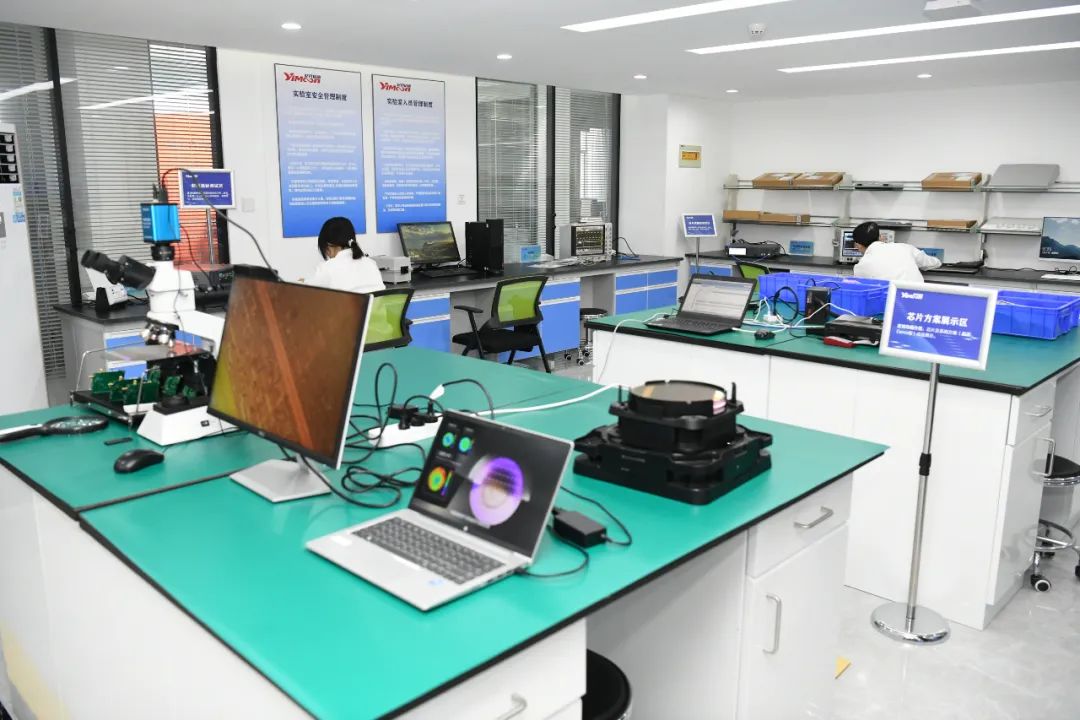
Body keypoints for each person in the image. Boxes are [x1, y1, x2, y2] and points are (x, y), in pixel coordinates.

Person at [307, 217, 385, 294]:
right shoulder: (371, 263)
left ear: (328, 246)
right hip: (374, 303)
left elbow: (306, 291)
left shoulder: (327, 268)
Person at [852, 221, 941, 283]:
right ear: (881, 237)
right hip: (918, 298)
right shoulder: (905, 248)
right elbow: (934, 263)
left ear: (857, 245)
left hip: (890, 302)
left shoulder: (861, 267)